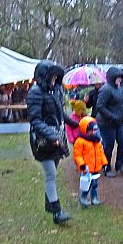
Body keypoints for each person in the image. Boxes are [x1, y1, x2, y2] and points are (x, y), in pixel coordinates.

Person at [27, 60, 79, 224]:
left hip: (56, 138)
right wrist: (52, 136)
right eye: (53, 75)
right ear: (45, 75)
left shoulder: (53, 91)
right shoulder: (35, 92)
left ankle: (50, 204)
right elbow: (35, 120)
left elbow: (59, 114)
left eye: (57, 76)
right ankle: (57, 211)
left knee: (52, 173)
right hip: (42, 140)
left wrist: (75, 123)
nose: (55, 78)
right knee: (51, 174)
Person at [96, 67, 123, 178]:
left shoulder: (119, 90)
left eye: (121, 78)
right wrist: (112, 117)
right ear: (112, 77)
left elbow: (122, 105)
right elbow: (100, 107)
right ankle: (106, 167)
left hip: (118, 122)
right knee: (109, 144)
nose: (120, 80)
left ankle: (119, 164)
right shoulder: (105, 90)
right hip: (106, 123)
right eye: (118, 78)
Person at [73, 116, 108, 207]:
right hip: (87, 168)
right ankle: (83, 198)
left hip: (96, 167)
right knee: (86, 185)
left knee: (95, 184)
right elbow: (77, 155)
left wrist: (104, 163)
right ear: (85, 129)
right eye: (91, 130)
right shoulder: (80, 141)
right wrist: (82, 165)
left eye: (95, 130)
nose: (93, 132)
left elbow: (101, 152)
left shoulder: (97, 141)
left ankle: (94, 198)